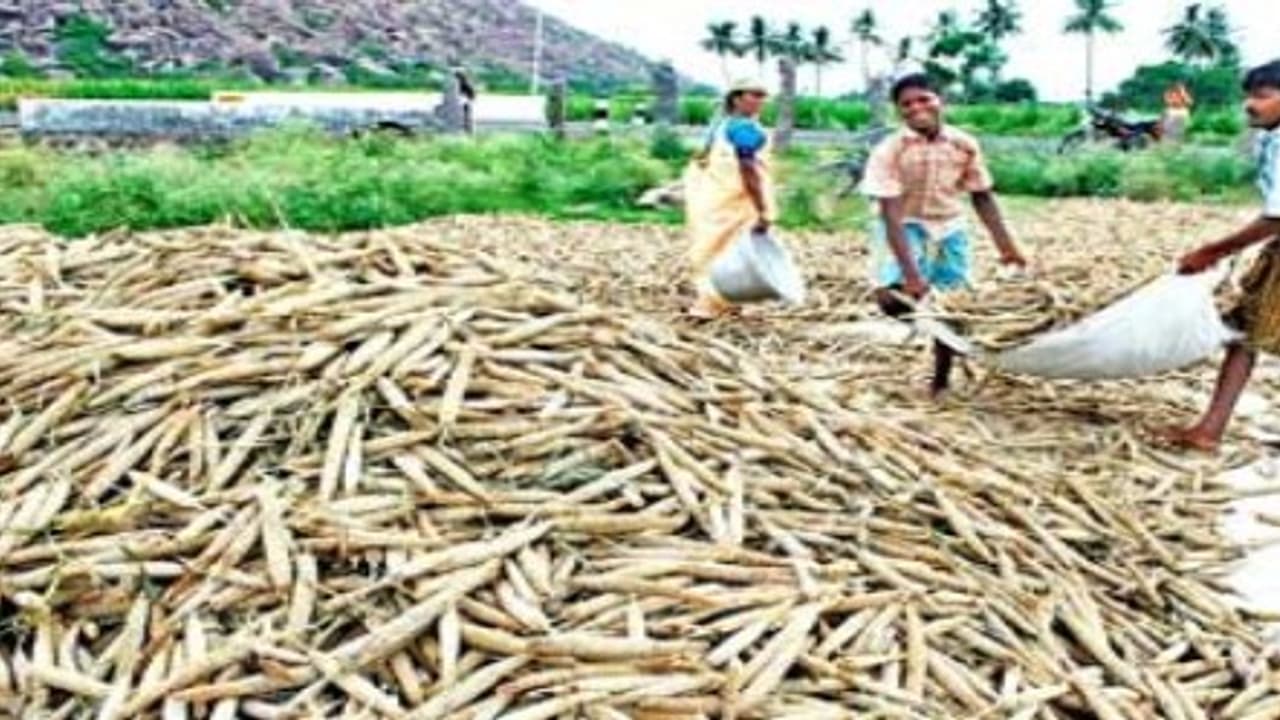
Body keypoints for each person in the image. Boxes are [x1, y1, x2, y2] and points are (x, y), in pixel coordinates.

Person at [860, 73, 1026, 398]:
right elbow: (890, 211)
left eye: (924, 99)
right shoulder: (890, 150)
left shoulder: (963, 144)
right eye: (907, 104)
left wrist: (1008, 248)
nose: (916, 108)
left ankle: (940, 381)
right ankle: (924, 321)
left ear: (941, 101)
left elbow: (982, 196)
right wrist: (910, 274)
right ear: (898, 111)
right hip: (904, 224)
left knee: (951, 307)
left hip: (949, 226)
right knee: (890, 298)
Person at [1162, 61, 1280, 452]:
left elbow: (1276, 218)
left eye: (1262, 96)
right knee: (1244, 332)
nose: (1250, 104)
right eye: (1249, 95)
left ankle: (1210, 430)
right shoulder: (1270, 140)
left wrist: (1212, 251)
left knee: (1244, 334)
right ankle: (1209, 430)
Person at [682, 78, 777, 319]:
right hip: (732, 201)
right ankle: (710, 304)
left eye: (762, 95)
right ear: (737, 98)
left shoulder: (725, 126)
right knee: (720, 250)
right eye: (754, 94)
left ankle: (726, 300)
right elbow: (749, 171)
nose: (760, 101)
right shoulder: (742, 130)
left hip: (718, 199)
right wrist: (763, 208)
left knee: (726, 250)